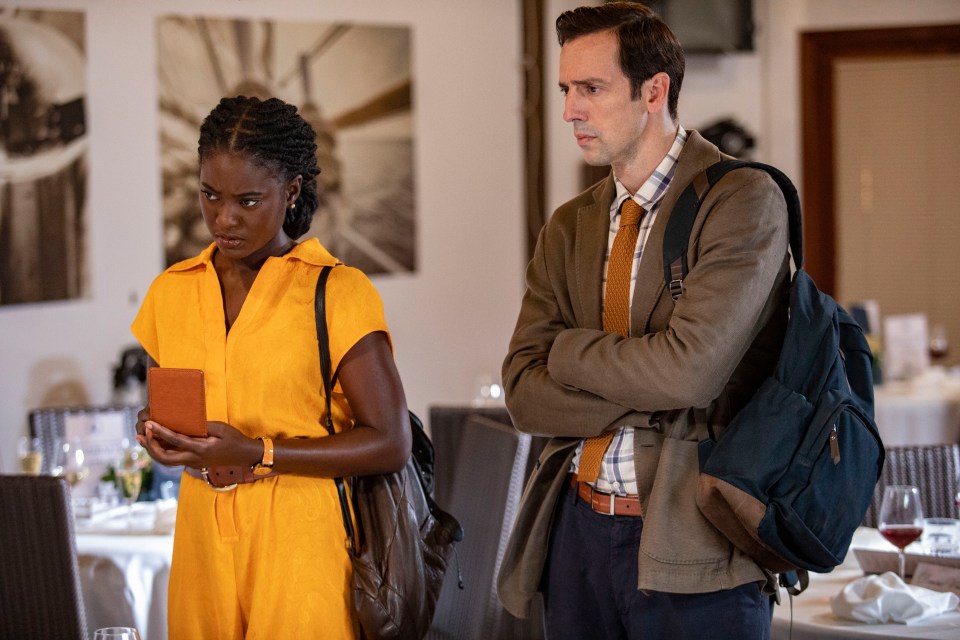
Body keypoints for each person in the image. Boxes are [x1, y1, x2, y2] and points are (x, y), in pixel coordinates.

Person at [497, 4, 791, 639]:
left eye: (592, 88)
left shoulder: (741, 200)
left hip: (698, 545)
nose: (571, 109)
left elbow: (688, 375)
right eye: (566, 90)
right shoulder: (570, 224)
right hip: (575, 532)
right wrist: (649, 394)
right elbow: (522, 391)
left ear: (654, 90)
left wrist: (570, 354)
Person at [132, 95, 411, 639]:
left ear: (292, 191)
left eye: (247, 200)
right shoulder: (171, 292)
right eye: (209, 195)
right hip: (200, 545)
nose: (223, 218)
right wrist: (155, 432)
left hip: (302, 546)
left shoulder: (336, 291)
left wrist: (257, 453)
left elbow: (390, 441)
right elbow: (175, 411)